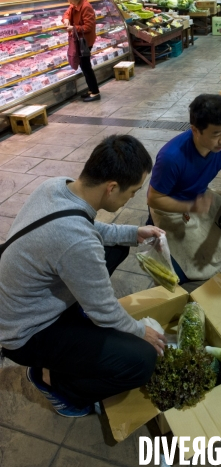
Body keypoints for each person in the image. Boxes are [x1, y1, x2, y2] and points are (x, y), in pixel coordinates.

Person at [0, 135, 167, 417]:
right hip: (25, 333)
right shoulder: (77, 243)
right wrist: (142, 333)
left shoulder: (56, 186)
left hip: (17, 304)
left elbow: (87, 227)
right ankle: (58, 386)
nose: (132, 198)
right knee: (142, 361)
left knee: (116, 248)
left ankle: (72, 341)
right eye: (133, 192)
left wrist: (132, 234)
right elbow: (104, 310)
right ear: (111, 188)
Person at [147, 94, 221, 282]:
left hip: (201, 198)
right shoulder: (171, 157)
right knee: (183, 269)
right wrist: (191, 207)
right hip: (172, 205)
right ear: (195, 130)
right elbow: (154, 199)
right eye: (217, 134)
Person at [62, 0, 100, 102]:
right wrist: (66, 19)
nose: (68, 1)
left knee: (86, 66)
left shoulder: (85, 7)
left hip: (85, 41)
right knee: (84, 66)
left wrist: (73, 28)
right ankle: (91, 89)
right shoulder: (75, 4)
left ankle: (95, 92)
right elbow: (68, 12)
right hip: (79, 39)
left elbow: (88, 26)